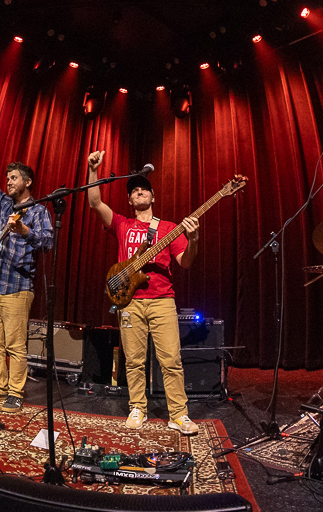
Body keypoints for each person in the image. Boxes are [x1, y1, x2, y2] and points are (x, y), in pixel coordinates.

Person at [85, 150, 200, 435]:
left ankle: (179, 414)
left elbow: (185, 262)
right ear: (129, 200)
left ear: (152, 197)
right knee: (134, 360)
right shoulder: (123, 224)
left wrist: (194, 238)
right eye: (134, 191)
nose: (139, 192)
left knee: (171, 360)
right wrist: (93, 171)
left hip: (162, 300)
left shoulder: (169, 229)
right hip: (131, 301)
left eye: (143, 189)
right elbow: (95, 201)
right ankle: (137, 407)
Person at [0, 129, 53, 413]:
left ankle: (15, 393)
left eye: (14, 178)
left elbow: (47, 242)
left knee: (16, 344)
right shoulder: (5, 204)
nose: (8, 182)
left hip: (18, 285)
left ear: (27, 182)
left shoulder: (39, 212)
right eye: (8, 178)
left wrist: (24, 230)